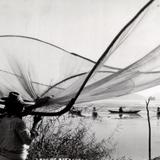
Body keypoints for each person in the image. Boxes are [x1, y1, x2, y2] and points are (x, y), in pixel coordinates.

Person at [0, 92, 42, 160]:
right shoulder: (18, 122)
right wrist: (35, 124)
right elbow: (28, 141)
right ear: (19, 108)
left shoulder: (2, 119)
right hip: (15, 157)